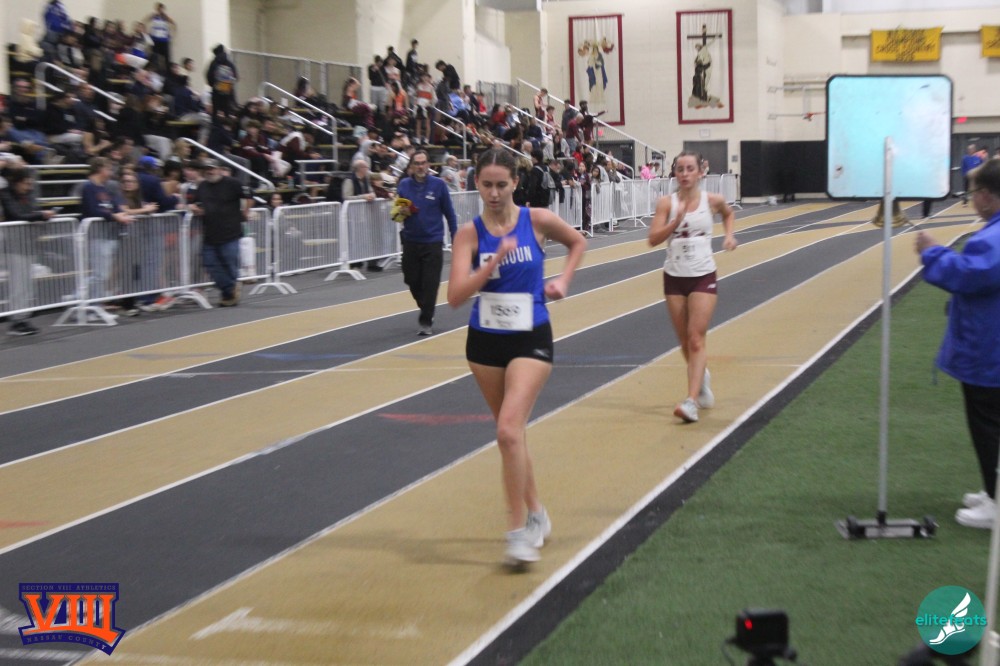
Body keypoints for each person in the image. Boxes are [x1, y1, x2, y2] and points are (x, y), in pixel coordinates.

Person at [446, 147, 586, 567]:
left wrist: (563, 280)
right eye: (486, 185)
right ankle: (537, 513)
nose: (493, 193)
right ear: (476, 184)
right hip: (485, 342)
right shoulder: (469, 234)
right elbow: (455, 296)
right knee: (512, 436)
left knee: (508, 430)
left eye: (501, 185)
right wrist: (492, 263)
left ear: (515, 184)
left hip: (531, 336)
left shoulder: (536, 220)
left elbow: (577, 242)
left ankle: (516, 534)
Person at [914, 158, 1000, 529]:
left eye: (975, 192)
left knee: (987, 424)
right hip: (990, 343)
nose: (973, 198)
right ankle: (993, 489)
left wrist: (932, 251)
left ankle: (996, 501)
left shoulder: (991, 240)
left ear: (988, 196)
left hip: (990, 349)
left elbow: (968, 276)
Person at [647, 150, 737, 423]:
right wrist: (675, 222)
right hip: (674, 276)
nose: (685, 174)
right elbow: (653, 239)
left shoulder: (712, 200)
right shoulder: (667, 203)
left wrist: (729, 236)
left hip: (702, 275)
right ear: (675, 173)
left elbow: (728, 214)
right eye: (680, 169)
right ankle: (703, 380)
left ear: (700, 172)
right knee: (685, 341)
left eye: (690, 169)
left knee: (696, 337)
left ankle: (690, 401)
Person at [395, 149, 457, 335]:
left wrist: (455, 237)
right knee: (411, 279)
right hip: (410, 241)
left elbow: (450, 213)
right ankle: (425, 306)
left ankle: (426, 320)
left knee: (430, 283)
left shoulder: (438, 185)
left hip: (433, 242)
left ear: (428, 165)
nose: (420, 167)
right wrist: (401, 212)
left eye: (423, 163)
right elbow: (397, 215)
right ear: (412, 166)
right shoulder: (404, 185)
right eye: (417, 163)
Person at [189, 158, 251, 307]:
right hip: (210, 232)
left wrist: (246, 211)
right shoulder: (202, 186)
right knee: (209, 263)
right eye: (207, 169)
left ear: (219, 169)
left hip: (230, 231)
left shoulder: (232, 183)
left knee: (229, 263)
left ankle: (228, 294)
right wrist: (195, 208)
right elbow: (196, 203)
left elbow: (249, 195)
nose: (209, 171)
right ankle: (230, 288)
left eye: (212, 168)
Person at [1, 169, 55, 336]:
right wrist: (40, 215)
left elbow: (31, 211)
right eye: (26, 183)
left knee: (26, 283)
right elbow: (17, 214)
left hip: (28, 244)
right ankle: (16, 321)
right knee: (18, 284)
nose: (29, 187)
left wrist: (39, 215)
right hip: (14, 245)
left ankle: (23, 317)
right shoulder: (6, 194)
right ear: (17, 182)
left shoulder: (28, 195)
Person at [206, 44, 239, 115]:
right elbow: (236, 77)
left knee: (216, 113)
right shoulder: (229, 63)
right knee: (228, 112)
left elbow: (209, 77)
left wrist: (213, 85)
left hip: (216, 93)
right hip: (228, 92)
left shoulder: (213, 63)